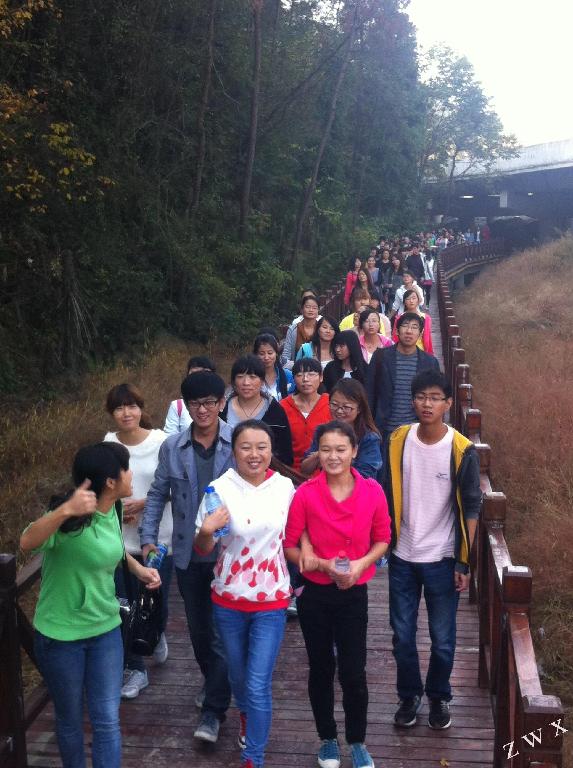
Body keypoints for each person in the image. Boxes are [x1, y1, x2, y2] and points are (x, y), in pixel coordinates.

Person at [20, 442, 161, 768]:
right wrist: (64, 511)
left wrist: (138, 569)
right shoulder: (68, 519)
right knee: (69, 718)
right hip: (61, 637)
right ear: (111, 481)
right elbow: (27, 541)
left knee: (107, 719)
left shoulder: (113, 508)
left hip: (105, 630)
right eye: (126, 469)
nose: (131, 475)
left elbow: (112, 548)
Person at [284, 420, 391, 768]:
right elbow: (290, 546)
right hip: (315, 594)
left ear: (354, 451)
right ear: (318, 453)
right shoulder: (306, 494)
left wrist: (360, 566)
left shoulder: (372, 491)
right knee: (320, 667)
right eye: (326, 449)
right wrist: (321, 565)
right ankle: (327, 738)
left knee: (354, 671)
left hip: (353, 593)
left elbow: (383, 539)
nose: (333, 456)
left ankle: (357, 741)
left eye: (340, 449)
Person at [140, 371, 235, 744]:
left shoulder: (238, 441)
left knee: (222, 633)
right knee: (199, 632)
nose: (203, 410)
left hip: (230, 555)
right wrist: (148, 538)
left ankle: (213, 710)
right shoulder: (173, 447)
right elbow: (157, 493)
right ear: (186, 407)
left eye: (210, 402)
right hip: (188, 555)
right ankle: (215, 683)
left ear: (221, 403)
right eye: (196, 403)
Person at [384, 370, 481, 730]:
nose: (427, 404)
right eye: (421, 396)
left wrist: (464, 561)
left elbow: (472, 505)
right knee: (402, 635)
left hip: (442, 558)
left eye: (435, 398)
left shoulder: (461, 449)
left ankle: (439, 695)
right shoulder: (398, 440)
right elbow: (383, 489)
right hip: (402, 556)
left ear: (448, 403)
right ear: (413, 401)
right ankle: (409, 695)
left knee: (442, 639)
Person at [195, 420, 295, 768]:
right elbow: (204, 547)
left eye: (262, 447)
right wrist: (206, 531)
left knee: (256, 683)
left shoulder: (285, 488)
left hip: (272, 600)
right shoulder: (219, 488)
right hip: (228, 599)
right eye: (246, 447)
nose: (254, 454)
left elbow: (296, 537)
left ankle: (253, 757)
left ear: (271, 450)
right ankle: (246, 715)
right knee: (238, 677)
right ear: (233, 450)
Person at [103, 383, 173, 699]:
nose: (126, 413)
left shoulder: (162, 442)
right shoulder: (108, 444)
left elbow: (174, 486)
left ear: (141, 408)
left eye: (131, 406)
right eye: (119, 408)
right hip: (121, 540)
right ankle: (135, 669)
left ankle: (156, 632)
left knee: (157, 602)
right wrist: (119, 508)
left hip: (158, 538)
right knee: (125, 606)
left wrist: (144, 504)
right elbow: (103, 488)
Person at [367, 313, 440, 444]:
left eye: (414, 327)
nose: (409, 331)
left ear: (420, 333)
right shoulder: (380, 357)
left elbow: (436, 398)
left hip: (417, 432)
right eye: (405, 326)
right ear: (397, 331)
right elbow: (369, 392)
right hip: (384, 431)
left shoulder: (430, 362)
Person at [300, 379, 382, 480]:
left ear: (359, 408)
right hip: (325, 486)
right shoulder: (322, 431)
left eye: (346, 407)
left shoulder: (369, 438)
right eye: (334, 405)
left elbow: (365, 475)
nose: (339, 411)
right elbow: (305, 469)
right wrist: (319, 454)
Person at [221, 354, 294, 466]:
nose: (246, 383)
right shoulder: (222, 409)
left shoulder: (275, 411)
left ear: (262, 381)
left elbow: (285, 455)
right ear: (233, 381)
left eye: (252, 377)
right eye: (240, 376)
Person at [279, 357, 330, 471]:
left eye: (311, 374)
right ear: (293, 378)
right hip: (289, 471)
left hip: (324, 470)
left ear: (321, 377)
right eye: (299, 375)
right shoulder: (283, 406)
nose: (305, 379)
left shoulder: (330, 403)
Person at [164, 356, 216, 435]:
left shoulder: (221, 404)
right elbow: (170, 437)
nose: (198, 379)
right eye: (194, 374)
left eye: (204, 374)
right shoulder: (177, 406)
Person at [281, 294, 320, 369]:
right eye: (307, 307)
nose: (311, 310)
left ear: (318, 311)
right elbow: (286, 355)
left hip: (318, 369)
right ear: (301, 309)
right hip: (296, 369)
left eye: (314, 308)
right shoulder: (293, 329)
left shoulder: (321, 329)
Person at [253, 333, 294, 402]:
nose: (266, 357)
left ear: (276, 353)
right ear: (256, 355)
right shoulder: (250, 377)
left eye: (270, 353)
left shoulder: (288, 376)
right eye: (262, 354)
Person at [391, 290, 433, 354]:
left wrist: (429, 354)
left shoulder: (426, 318)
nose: (411, 301)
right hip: (403, 351)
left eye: (414, 298)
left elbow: (428, 338)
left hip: (420, 351)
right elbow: (395, 337)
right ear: (404, 302)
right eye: (408, 299)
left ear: (418, 300)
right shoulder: (399, 318)